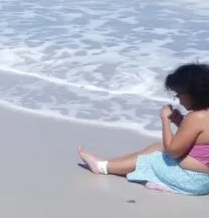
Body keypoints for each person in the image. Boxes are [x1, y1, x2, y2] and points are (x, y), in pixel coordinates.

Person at [78, 63, 209, 195]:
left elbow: (173, 151)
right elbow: (197, 139)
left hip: (191, 180)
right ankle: (110, 162)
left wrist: (165, 120)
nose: (178, 98)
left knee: (152, 159)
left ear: (192, 93)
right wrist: (179, 121)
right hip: (205, 180)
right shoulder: (204, 114)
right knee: (157, 147)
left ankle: (102, 167)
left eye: (179, 94)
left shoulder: (196, 117)